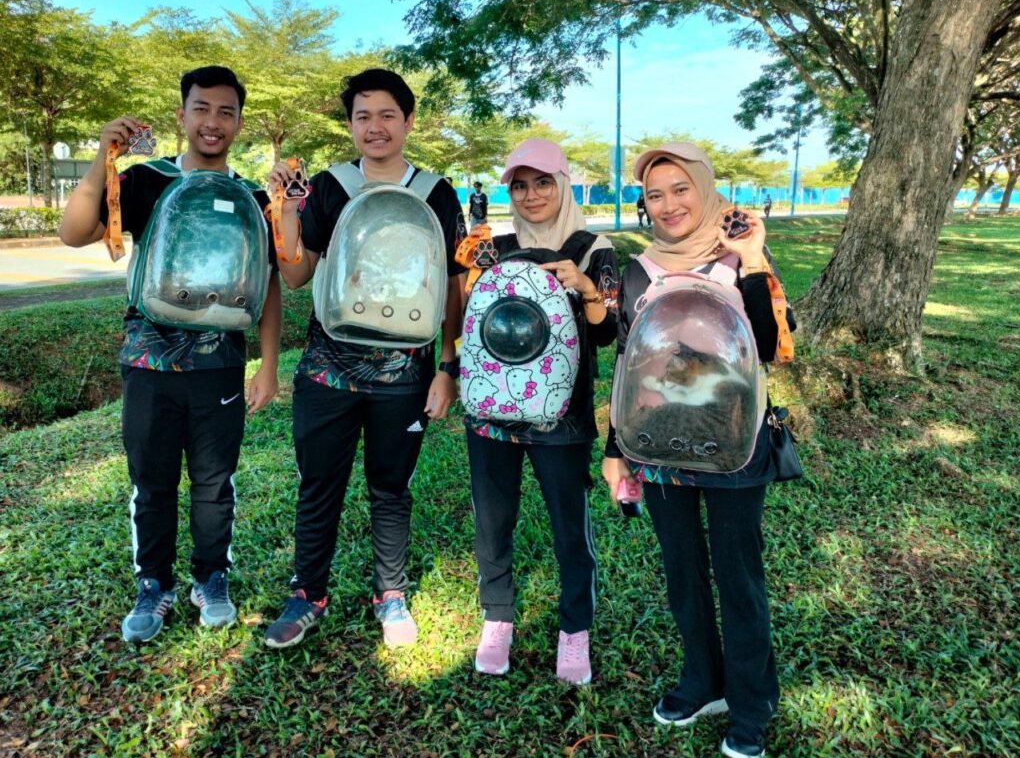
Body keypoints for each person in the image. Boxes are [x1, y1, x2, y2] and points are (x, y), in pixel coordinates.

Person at [58, 66, 282, 644]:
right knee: (152, 480)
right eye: (201, 109)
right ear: (182, 115)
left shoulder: (252, 197)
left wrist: (268, 365)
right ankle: (153, 584)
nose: (213, 122)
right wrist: (102, 157)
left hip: (220, 366)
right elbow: (74, 232)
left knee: (214, 481)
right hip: (148, 364)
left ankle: (211, 579)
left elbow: (269, 281)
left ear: (239, 123)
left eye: (226, 112)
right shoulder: (146, 180)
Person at [262, 68, 466, 649]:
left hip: (405, 375)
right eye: (362, 116)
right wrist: (286, 210)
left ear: (408, 121)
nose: (375, 127)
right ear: (350, 124)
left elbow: (453, 288)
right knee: (318, 484)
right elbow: (296, 276)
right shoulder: (329, 186)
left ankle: (390, 593)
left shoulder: (436, 193)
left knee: (390, 488)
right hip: (327, 369)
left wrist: (446, 367)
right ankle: (307, 593)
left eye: (387, 115)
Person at [601, 143, 783, 758]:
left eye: (680, 189)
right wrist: (616, 447)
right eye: (654, 195)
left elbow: (769, 345)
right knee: (681, 569)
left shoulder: (741, 255)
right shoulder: (638, 270)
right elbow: (627, 363)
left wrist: (753, 260)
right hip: (656, 442)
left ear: (704, 190)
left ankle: (751, 704)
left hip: (734, 441)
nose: (668, 204)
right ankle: (703, 681)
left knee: (738, 575)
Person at [463, 138, 619, 684]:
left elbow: (608, 332)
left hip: (563, 415)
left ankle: (574, 629)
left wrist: (586, 289)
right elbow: (469, 316)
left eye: (543, 183)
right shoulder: (493, 245)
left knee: (568, 525)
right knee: (492, 521)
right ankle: (497, 617)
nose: (531, 195)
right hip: (491, 407)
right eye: (520, 186)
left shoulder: (593, 248)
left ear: (563, 185)